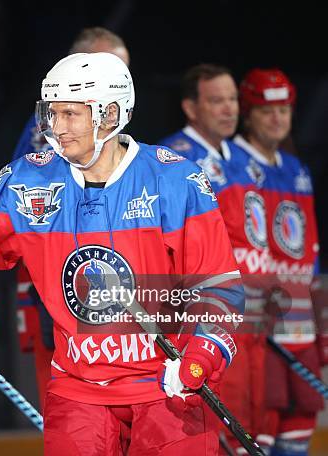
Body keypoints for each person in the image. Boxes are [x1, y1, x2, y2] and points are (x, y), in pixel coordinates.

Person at [0, 52, 244, 455]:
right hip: (78, 391)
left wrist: (201, 355)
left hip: (166, 385)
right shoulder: (29, 178)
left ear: (110, 114)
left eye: (71, 114)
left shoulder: (176, 179)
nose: (58, 127)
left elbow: (219, 286)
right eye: (52, 113)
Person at [12, 27, 131, 410]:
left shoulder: (117, 138)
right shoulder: (51, 140)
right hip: (59, 297)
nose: (121, 86)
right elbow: (25, 222)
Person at [160, 64, 273, 453]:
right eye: (216, 101)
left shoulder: (245, 159)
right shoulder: (172, 159)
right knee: (216, 426)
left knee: (257, 425)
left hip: (253, 315)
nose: (229, 109)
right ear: (191, 108)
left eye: (232, 100)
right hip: (207, 314)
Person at [234, 68, 322, 456]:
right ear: (248, 113)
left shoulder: (297, 170)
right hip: (259, 331)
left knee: (299, 433)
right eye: (267, 110)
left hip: (300, 329)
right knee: (258, 436)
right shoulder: (230, 163)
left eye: (284, 110)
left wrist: (320, 326)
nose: (277, 118)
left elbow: (310, 255)